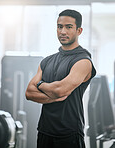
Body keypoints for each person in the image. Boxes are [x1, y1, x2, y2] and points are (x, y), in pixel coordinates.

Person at [25, 9, 96, 148]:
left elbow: (60, 90)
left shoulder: (83, 61)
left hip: (69, 133)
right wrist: (52, 95)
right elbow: (29, 93)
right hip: (45, 130)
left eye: (69, 27)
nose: (63, 31)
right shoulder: (47, 61)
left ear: (79, 31)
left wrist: (39, 84)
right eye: (59, 26)